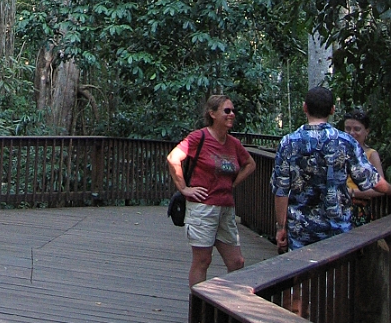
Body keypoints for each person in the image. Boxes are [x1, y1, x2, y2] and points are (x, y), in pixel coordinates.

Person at [271, 87, 391, 251]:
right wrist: (388, 188)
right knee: (337, 274)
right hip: (337, 229)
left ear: (304, 107)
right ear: (332, 110)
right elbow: (371, 180)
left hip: (301, 229)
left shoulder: (288, 143)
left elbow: (281, 190)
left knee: (301, 272)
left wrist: (281, 226)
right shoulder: (346, 142)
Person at [167, 94, 256, 287]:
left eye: (233, 111)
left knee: (236, 262)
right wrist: (185, 189)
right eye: (227, 110)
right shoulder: (199, 137)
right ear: (212, 114)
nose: (232, 114)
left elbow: (250, 164)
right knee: (202, 260)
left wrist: (232, 184)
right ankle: (199, 308)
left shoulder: (233, 143)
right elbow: (173, 158)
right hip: (203, 209)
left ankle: (231, 304)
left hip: (226, 208)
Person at [344, 107, 386, 226]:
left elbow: (380, 189)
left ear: (366, 131)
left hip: (358, 210)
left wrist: (350, 192)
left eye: (357, 129)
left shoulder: (371, 155)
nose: (352, 133)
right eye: (347, 129)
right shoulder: (336, 152)